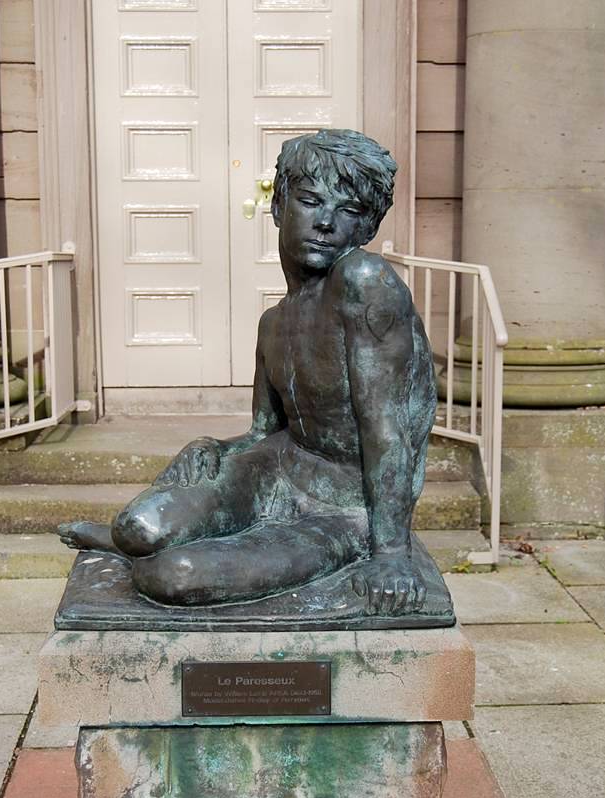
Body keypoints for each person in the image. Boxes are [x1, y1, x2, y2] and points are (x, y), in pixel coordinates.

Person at [60, 129, 436, 616]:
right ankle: (128, 542)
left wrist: (391, 555)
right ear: (279, 207)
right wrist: (216, 448)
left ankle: (187, 554)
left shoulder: (364, 281)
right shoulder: (273, 322)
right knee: (138, 527)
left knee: (172, 576)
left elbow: (388, 429)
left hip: (343, 507)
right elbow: (264, 432)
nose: (325, 222)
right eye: (309, 201)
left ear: (365, 230)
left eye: (348, 211)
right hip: (278, 470)